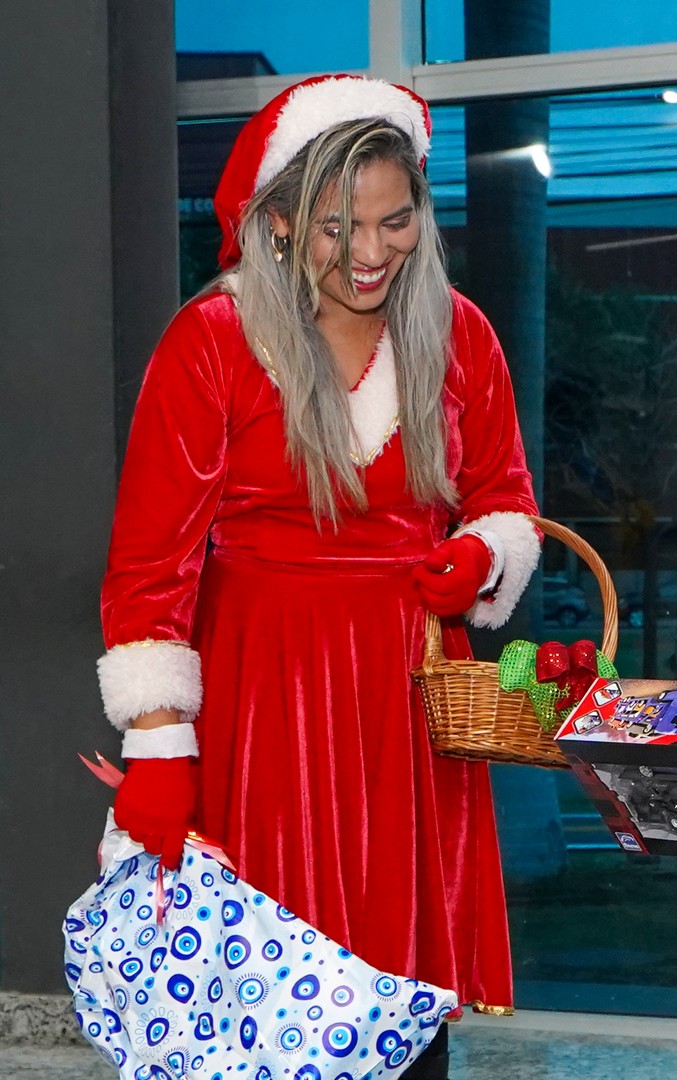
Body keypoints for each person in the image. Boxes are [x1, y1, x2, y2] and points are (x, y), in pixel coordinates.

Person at [97, 75, 540, 1077]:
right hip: (265, 688)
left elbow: (504, 496)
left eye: (396, 221)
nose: (374, 253)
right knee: (270, 994)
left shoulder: (460, 332)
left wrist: (481, 558)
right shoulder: (213, 339)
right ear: (285, 219)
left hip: (407, 688)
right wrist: (161, 748)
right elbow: (150, 558)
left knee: (402, 1001)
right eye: (342, 227)